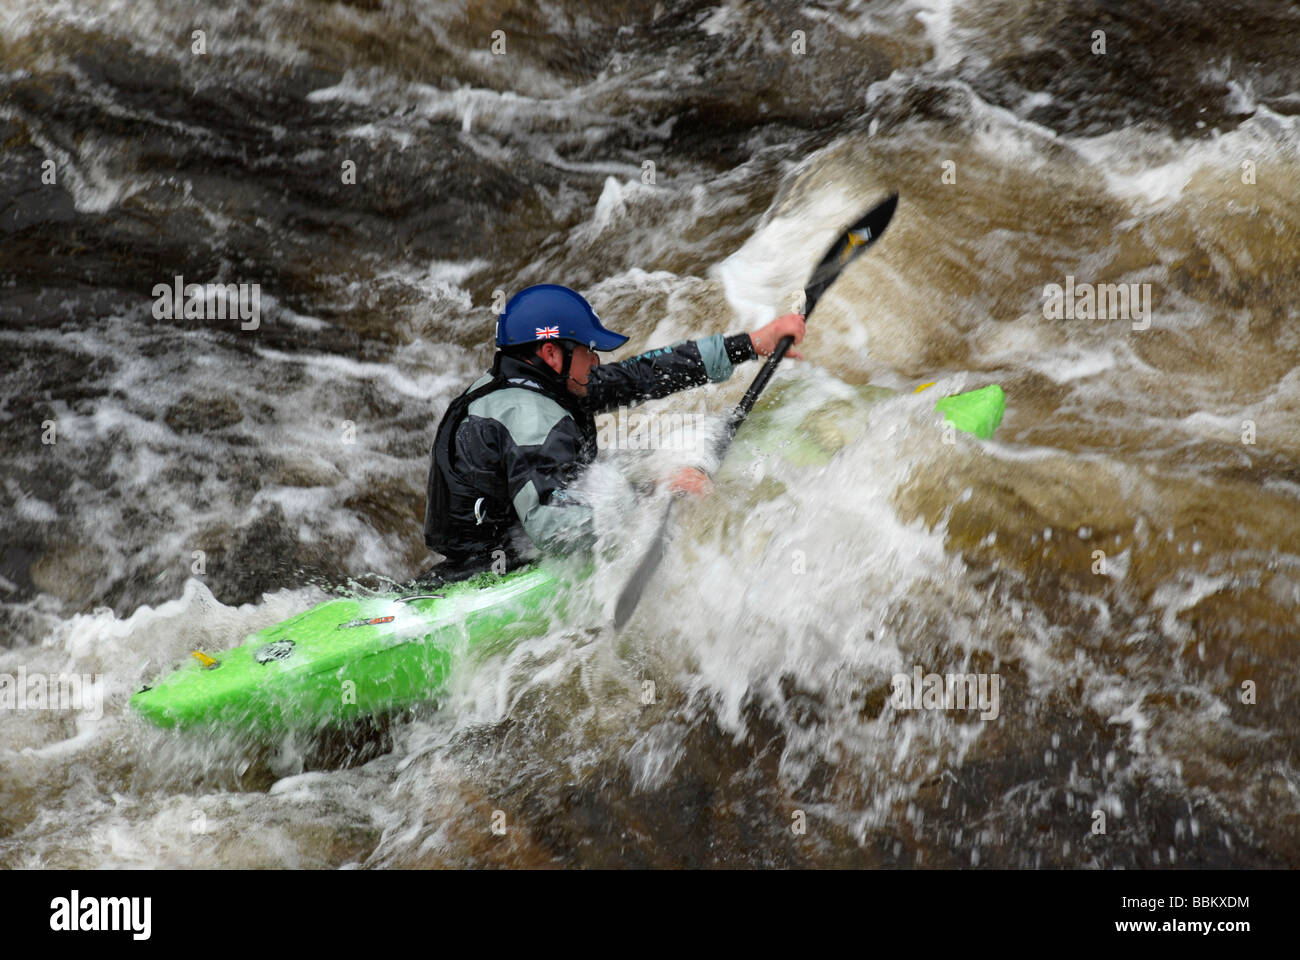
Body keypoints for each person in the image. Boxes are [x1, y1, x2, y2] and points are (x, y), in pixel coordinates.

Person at [422, 284, 805, 581]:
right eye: (589, 350)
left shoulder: (536, 382)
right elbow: (555, 531)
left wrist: (750, 344)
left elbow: (642, 375)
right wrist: (652, 493)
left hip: (496, 545)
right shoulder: (528, 416)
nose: (597, 360)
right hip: (490, 569)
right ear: (552, 353)